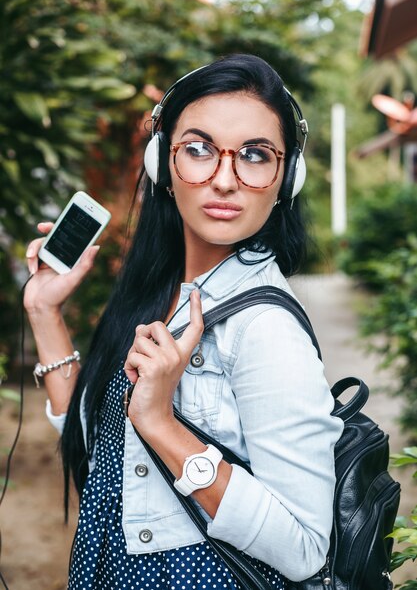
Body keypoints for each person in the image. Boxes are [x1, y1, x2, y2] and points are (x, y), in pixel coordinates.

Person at [24, 53, 343, 590]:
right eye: (198, 149)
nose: (224, 179)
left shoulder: (265, 329)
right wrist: (44, 311)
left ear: (286, 177)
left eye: (256, 155)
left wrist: (162, 425)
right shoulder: (159, 293)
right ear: (161, 166)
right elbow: (103, 452)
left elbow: (307, 547)